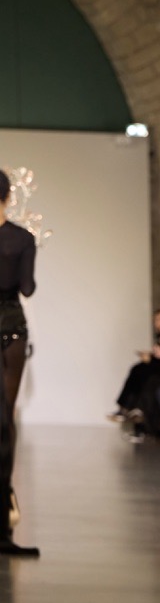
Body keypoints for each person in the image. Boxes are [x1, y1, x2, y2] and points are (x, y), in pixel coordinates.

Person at [0, 169, 38, 557]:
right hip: (11, 329)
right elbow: (27, 288)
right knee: (5, 419)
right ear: (8, 197)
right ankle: (3, 521)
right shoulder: (22, 238)